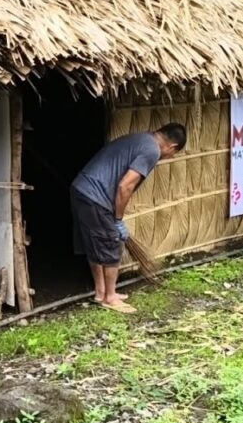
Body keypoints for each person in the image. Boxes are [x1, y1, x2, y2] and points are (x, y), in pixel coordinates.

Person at [70, 124, 187, 313]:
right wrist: (117, 219)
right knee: (111, 242)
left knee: (95, 243)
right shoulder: (151, 150)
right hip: (94, 195)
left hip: (82, 189)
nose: (169, 157)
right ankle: (110, 297)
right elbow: (125, 186)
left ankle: (101, 293)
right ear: (172, 147)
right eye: (173, 154)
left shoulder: (140, 139)